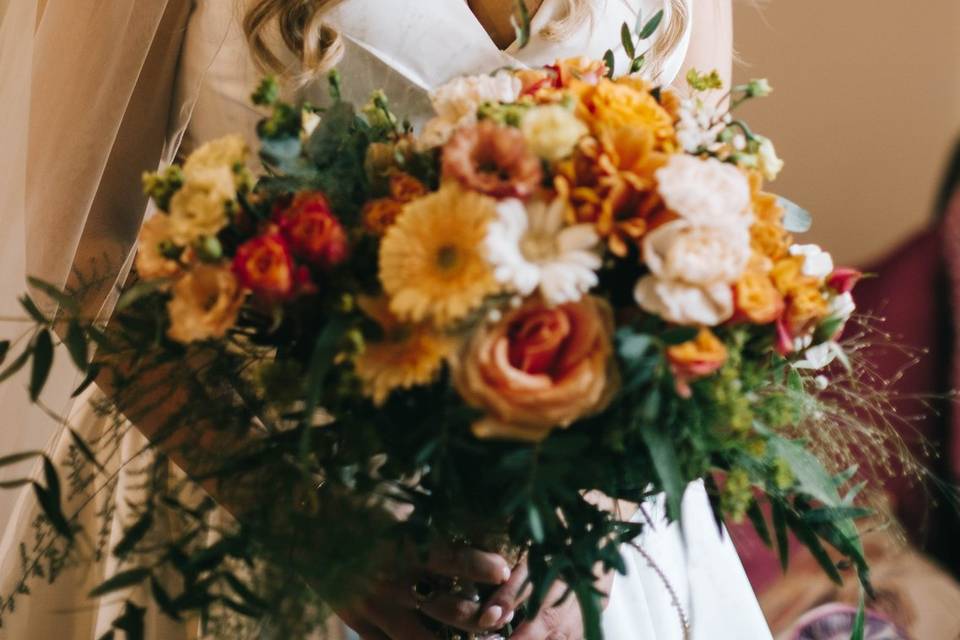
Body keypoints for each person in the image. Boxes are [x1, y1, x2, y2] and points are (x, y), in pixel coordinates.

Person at [0, 1, 770, 638]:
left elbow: (697, 225)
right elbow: (86, 255)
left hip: (563, 514)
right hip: (239, 480)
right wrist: (311, 530)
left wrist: (586, 537)